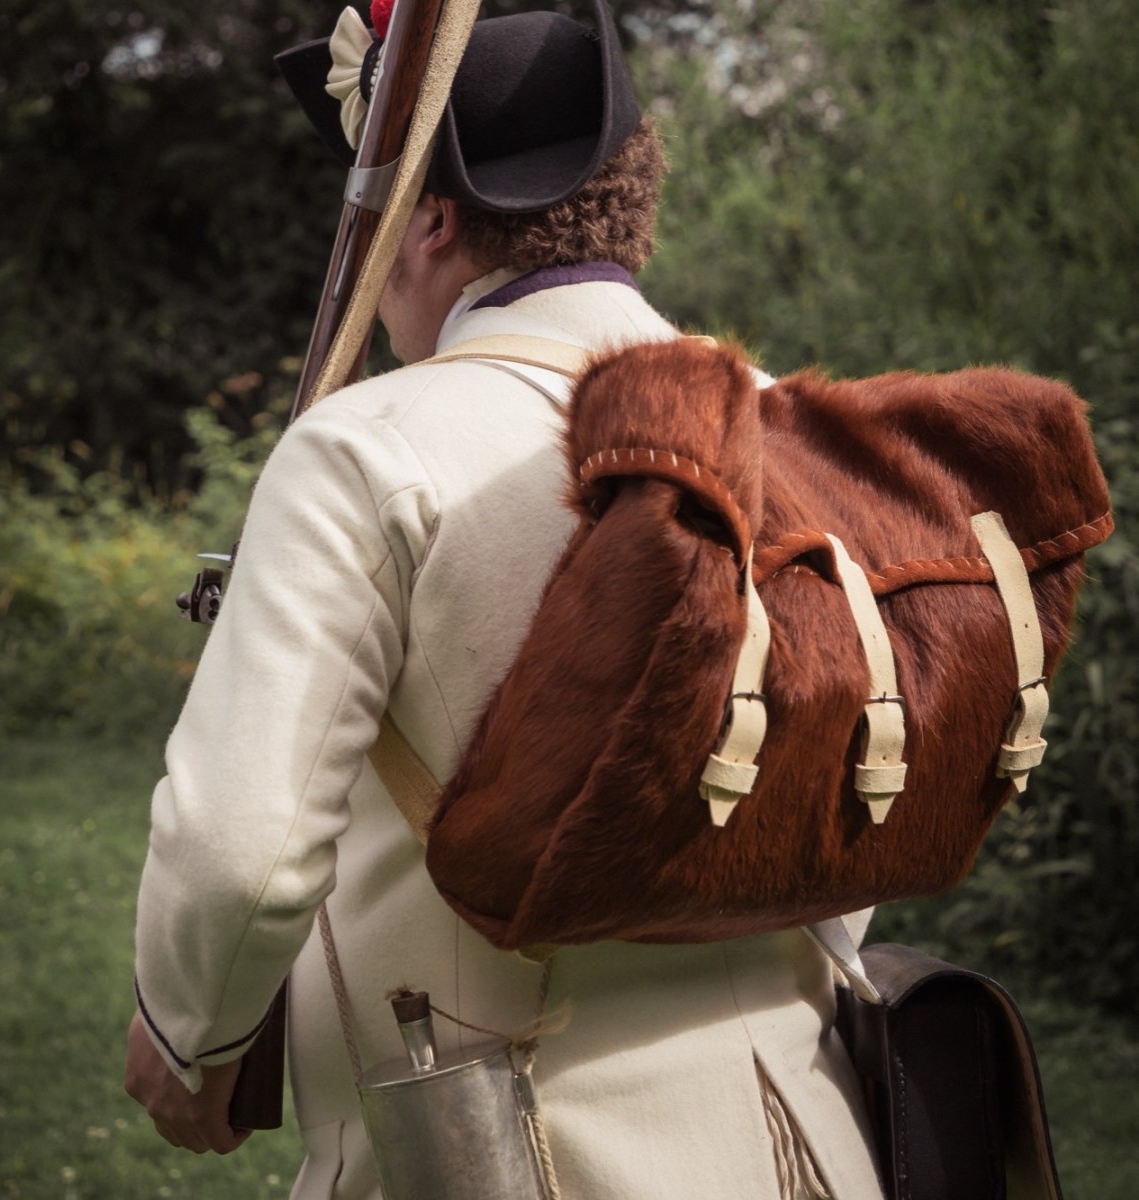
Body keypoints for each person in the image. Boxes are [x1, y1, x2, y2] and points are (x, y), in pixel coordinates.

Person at [125, 3, 886, 1197]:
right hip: (807, 1141)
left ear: (424, 221)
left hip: (496, 1155)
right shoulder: (793, 431)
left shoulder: (363, 446)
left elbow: (240, 859)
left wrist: (189, 1037)